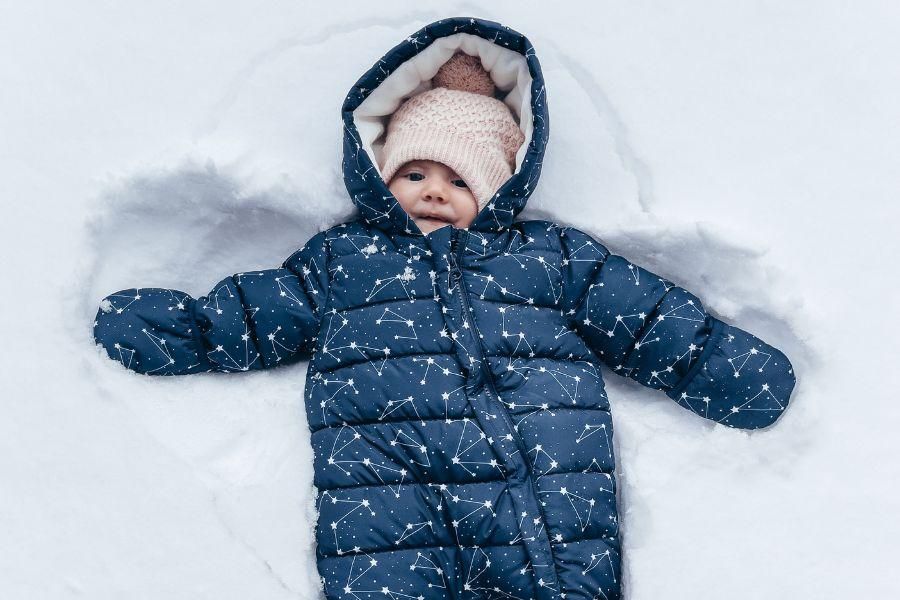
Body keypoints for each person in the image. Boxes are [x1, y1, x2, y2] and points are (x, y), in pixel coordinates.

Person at [93, 17, 795, 600]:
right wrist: (177, 330)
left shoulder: (547, 258)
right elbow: (256, 313)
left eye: (459, 178)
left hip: (541, 495)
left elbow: (644, 317)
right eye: (414, 172)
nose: (432, 190)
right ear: (379, 174)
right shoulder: (344, 262)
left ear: (498, 189)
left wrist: (729, 372)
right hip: (389, 495)